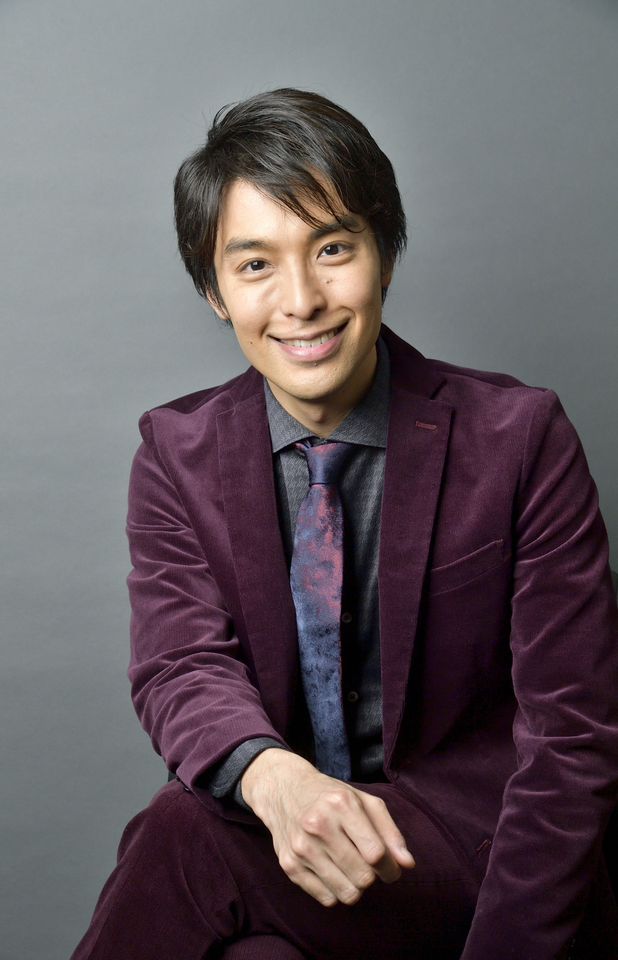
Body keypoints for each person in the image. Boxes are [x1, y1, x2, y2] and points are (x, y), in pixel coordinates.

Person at [71, 89, 618, 960]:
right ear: (214, 291)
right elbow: (180, 665)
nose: (301, 300)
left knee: (183, 831)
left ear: (384, 254)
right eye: (255, 265)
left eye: (332, 249)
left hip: (481, 867)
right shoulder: (176, 454)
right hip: (297, 861)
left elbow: (572, 736)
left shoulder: (520, 438)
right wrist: (274, 778)